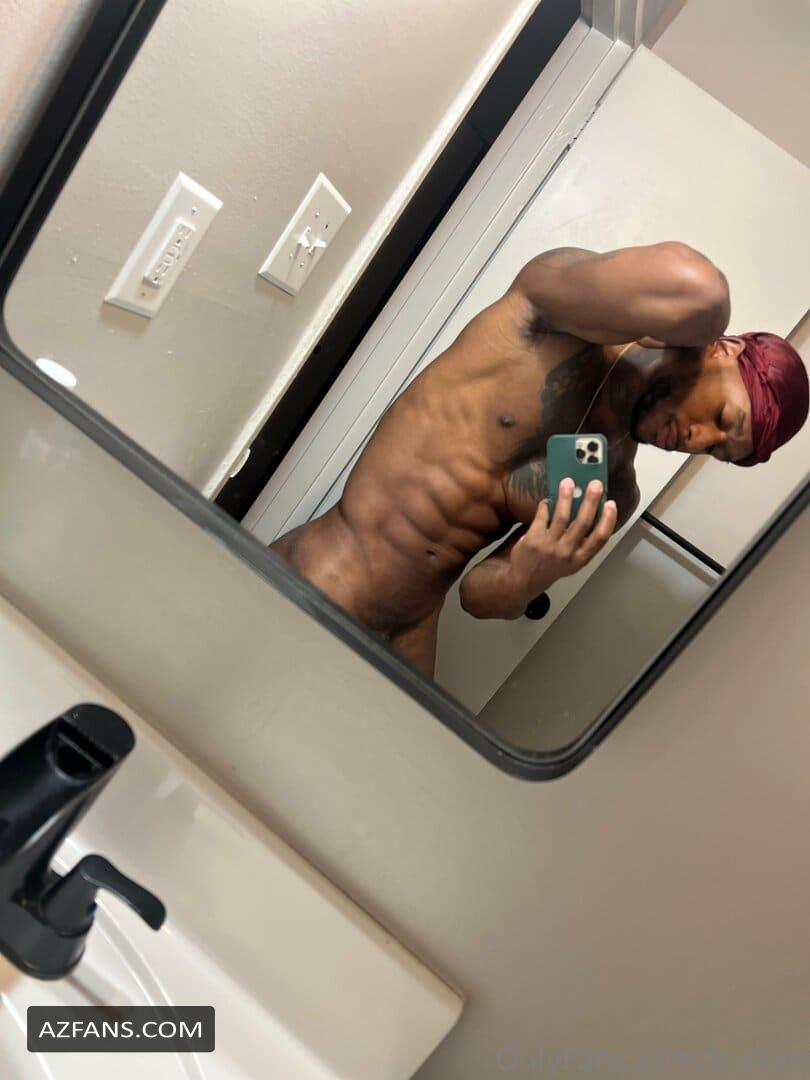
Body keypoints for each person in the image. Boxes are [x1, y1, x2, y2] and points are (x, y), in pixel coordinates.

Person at [271, 243, 808, 676]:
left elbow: (478, 598)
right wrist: (700, 325)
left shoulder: (611, 488)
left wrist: (530, 576)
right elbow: (700, 289)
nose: (697, 438)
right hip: (329, 576)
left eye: (716, 449)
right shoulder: (558, 321)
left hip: (409, 643)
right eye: (723, 417)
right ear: (723, 348)